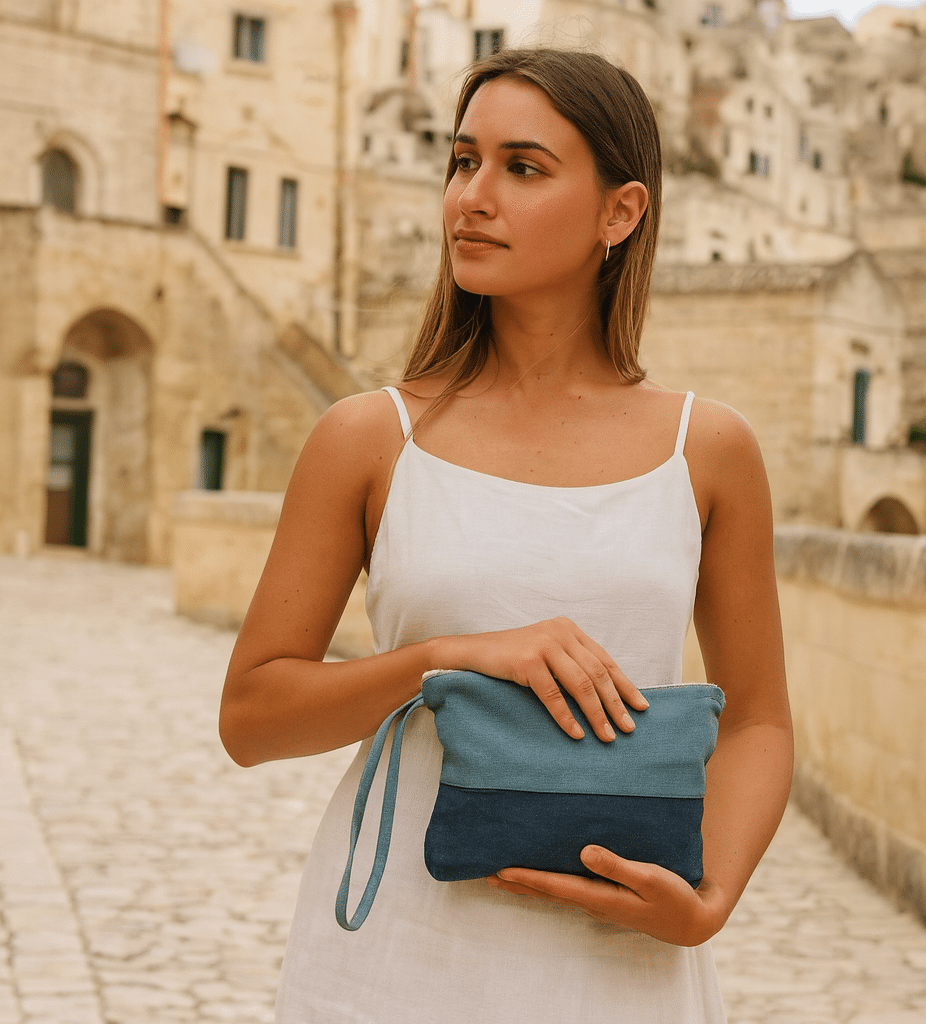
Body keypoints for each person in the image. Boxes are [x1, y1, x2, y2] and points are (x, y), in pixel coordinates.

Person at [220, 47, 792, 1024]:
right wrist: (445, 658)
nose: (472, 197)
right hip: (397, 951)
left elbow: (758, 720)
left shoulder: (708, 449)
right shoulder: (369, 437)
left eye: (522, 167)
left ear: (620, 212)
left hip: (622, 965)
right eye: (462, 161)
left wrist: (710, 898)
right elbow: (252, 718)